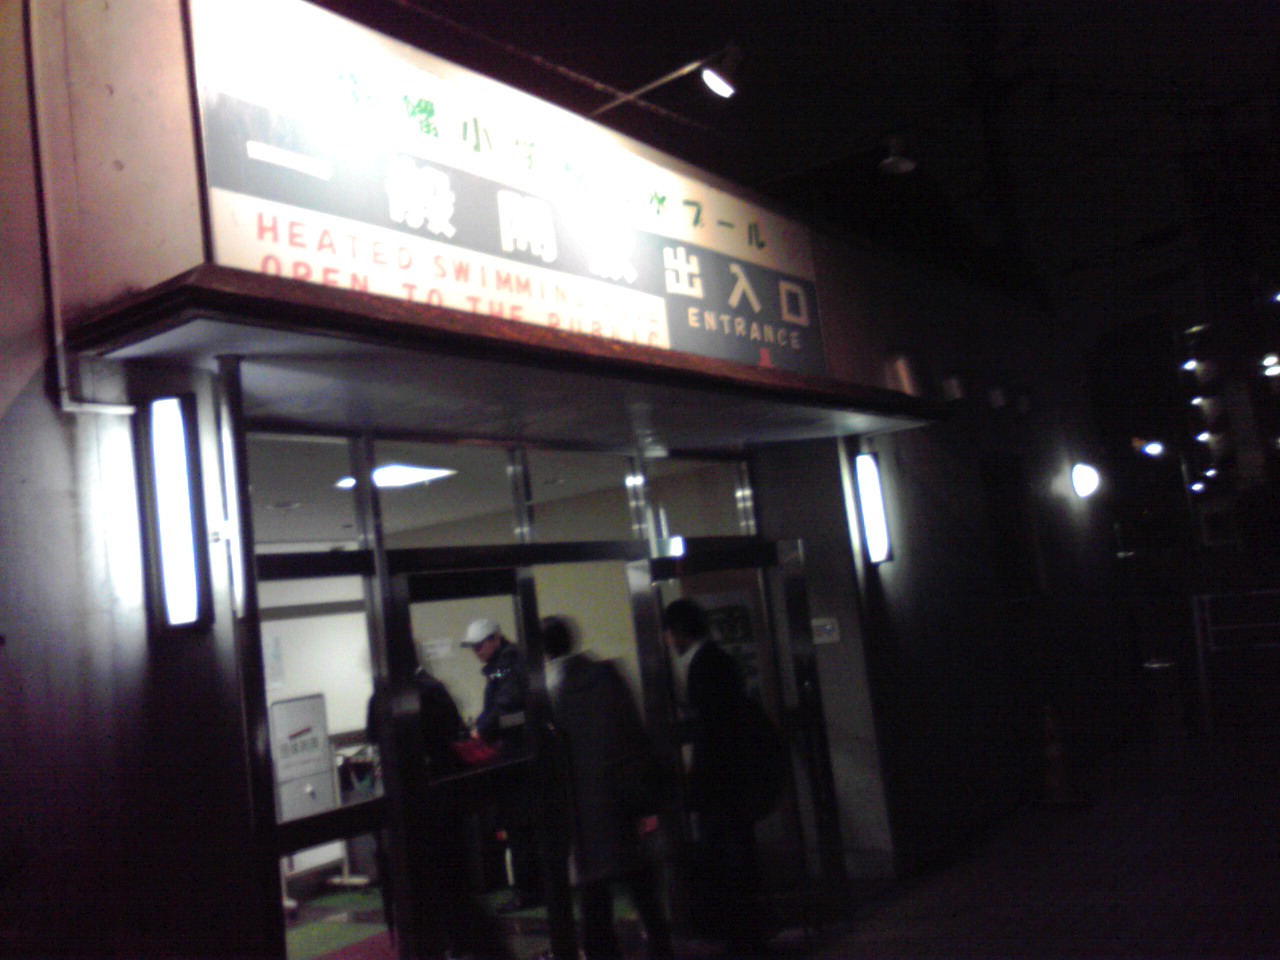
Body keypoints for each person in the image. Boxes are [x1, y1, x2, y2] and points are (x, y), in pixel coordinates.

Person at [542, 615, 674, 960]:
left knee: (595, 890)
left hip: (585, 806)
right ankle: (660, 943)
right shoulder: (607, 674)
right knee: (639, 879)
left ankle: (602, 950)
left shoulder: (553, 689)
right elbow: (635, 733)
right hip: (624, 795)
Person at [663, 597, 769, 954]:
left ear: (679, 631)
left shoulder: (703, 666)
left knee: (726, 853)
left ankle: (739, 933)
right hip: (734, 775)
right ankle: (748, 930)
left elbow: (713, 729)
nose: (668, 641)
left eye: (669, 633)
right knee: (737, 851)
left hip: (721, 780)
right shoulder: (719, 660)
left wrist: (698, 774)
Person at [461, 617, 542, 912]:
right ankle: (534, 888)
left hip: (516, 758)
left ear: (495, 639)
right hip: (523, 754)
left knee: (519, 828)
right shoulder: (507, 664)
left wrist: (482, 731)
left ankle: (528, 891)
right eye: (473, 647)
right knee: (524, 827)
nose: (476, 651)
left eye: (480, 645)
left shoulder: (506, 666)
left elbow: (508, 710)